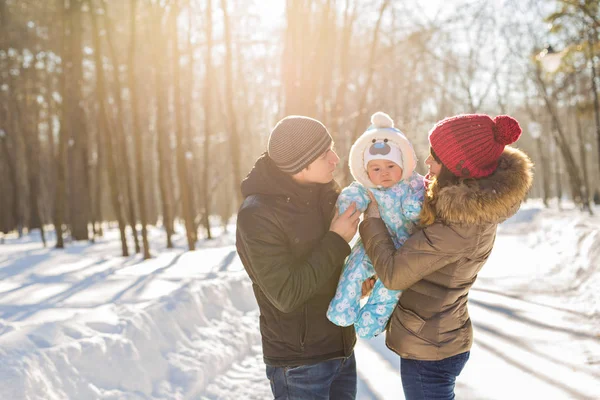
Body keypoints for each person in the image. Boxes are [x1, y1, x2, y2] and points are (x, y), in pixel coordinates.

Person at [359, 114, 534, 400]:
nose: (427, 163)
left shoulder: (460, 225)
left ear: (456, 169)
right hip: (436, 340)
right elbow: (422, 263)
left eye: (435, 158)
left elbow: (394, 273)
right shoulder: (460, 210)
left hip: (430, 351)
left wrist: (372, 219)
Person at [236, 115, 365, 399]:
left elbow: (327, 269)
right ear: (300, 165)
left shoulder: (325, 195)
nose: (335, 158)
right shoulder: (257, 215)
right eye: (324, 154)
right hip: (301, 363)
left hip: (341, 348)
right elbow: (287, 294)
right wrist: (336, 239)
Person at [327, 111, 425, 339]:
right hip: (370, 245)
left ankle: (368, 325)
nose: (384, 174)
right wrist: (348, 203)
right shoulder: (367, 188)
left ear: (403, 163)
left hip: (402, 250)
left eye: (391, 166)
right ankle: (341, 311)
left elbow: (422, 200)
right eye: (376, 169)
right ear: (366, 171)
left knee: (390, 289)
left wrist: (415, 205)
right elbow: (353, 195)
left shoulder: (414, 183)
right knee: (353, 271)